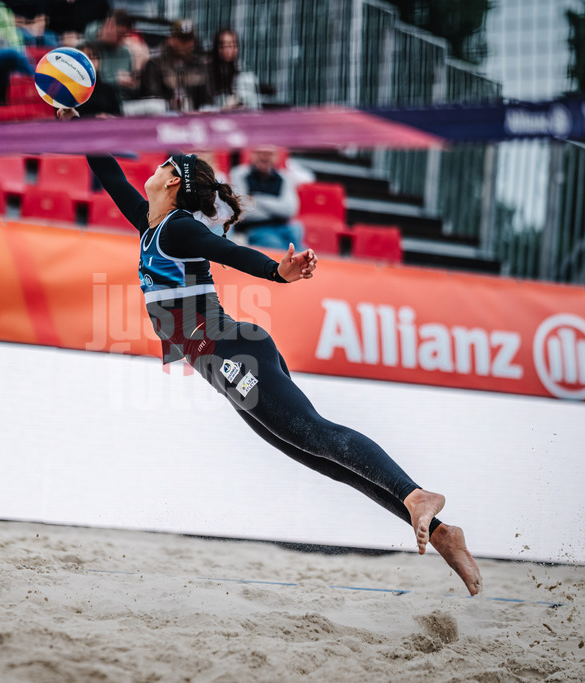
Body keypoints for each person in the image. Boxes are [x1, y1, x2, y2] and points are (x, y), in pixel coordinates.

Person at [57, 107, 483, 597]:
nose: (151, 169)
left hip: (233, 351)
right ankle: (441, 533)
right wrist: (74, 122)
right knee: (318, 456)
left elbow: (231, 253)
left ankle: (416, 494)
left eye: (161, 165)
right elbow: (108, 172)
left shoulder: (177, 228)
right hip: (223, 359)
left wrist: (277, 273)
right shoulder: (150, 225)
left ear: (172, 182)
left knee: (317, 435)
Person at [228, 145, 304, 250]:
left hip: (283, 227)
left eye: (269, 154)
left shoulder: (284, 178)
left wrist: (256, 198)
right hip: (254, 228)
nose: (264, 157)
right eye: (260, 153)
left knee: (298, 237)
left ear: (276, 157)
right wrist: (276, 208)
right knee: (276, 246)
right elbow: (241, 210)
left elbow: (289, 210)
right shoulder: (239, 174)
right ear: (252, 155)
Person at [139, 18, 210, 113]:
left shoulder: (198, 65)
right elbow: (152, 99)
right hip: (165, 117)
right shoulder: (155, 64)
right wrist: (171, 103)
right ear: (171, 40)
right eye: (182, 40)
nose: (187, 45)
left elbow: (207, 100)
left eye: (189, 40)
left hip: (195, 117)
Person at [206, 27, 259, 111]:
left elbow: (253, 106)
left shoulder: (245, 74)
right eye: (223, 46)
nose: (227, 50)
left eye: (231, 45)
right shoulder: (208, 74)